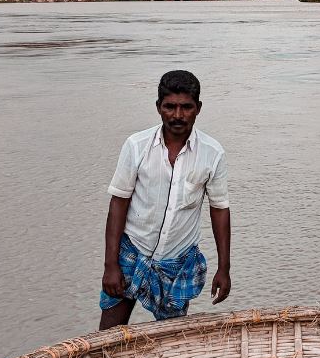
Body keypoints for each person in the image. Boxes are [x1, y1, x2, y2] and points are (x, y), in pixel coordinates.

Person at [98, 70, 231, 328]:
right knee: (107, 334)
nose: (178, 115)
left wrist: (224, 268)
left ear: (198, 108)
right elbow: (119, 204)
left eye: (186, 107)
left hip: (177, 262)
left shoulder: (212, 153)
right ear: (158, 107)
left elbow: (220, 209)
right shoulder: (136, 146)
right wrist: (110, 265)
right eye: (170, 107)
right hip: (131, 254)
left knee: (171, 339)